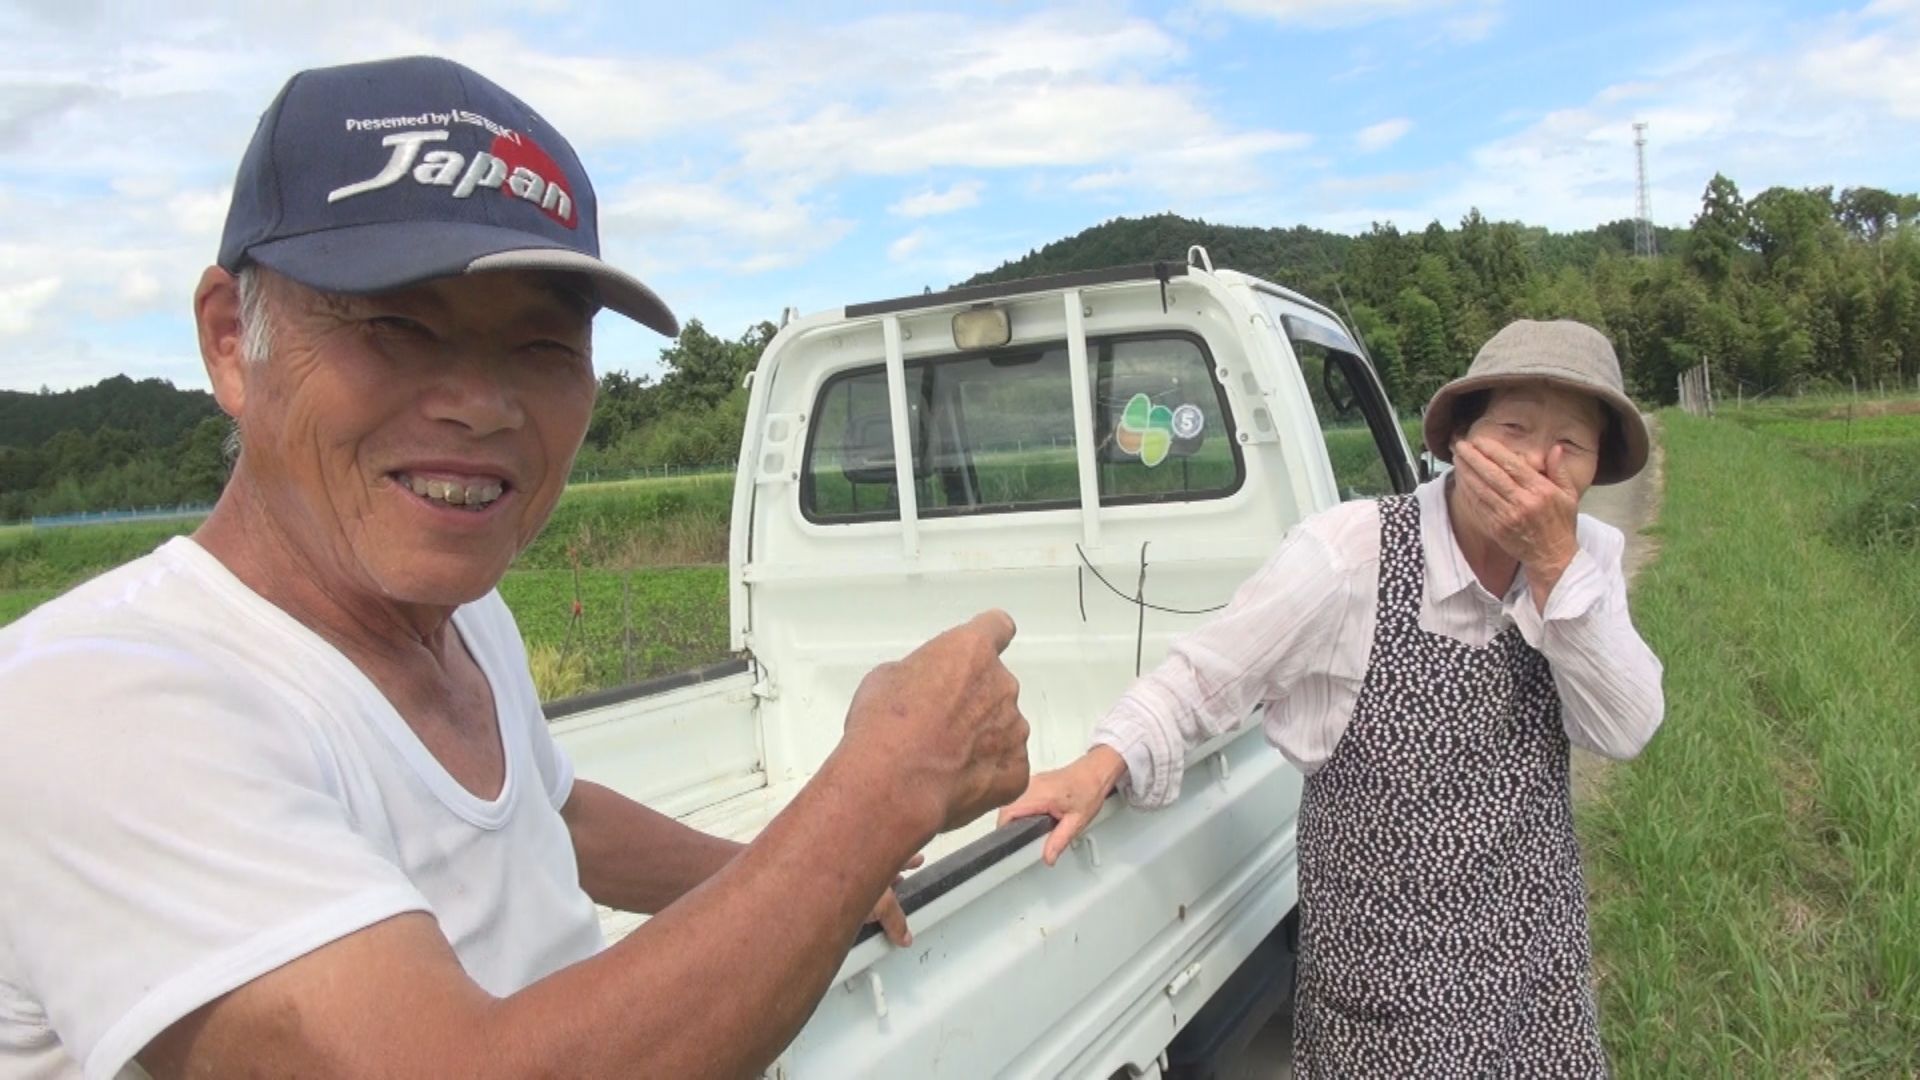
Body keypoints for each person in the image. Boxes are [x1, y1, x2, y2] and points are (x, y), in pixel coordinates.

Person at [0, 57, 1030, 1080]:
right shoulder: (98, 702)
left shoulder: (454, 609)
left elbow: (552, 818)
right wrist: (875, 795)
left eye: (543, 346)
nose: (484, 405)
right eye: (397, 326)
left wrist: (788, 878)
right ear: (232, 342)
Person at [1001, 319, 1665, 1076]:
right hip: (1388, 996)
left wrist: (1554, 566)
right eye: (1513, 429)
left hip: (1532, 974)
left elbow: (1626, 726)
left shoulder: (1583, 561)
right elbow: (1207, 675)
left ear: (1593, 470)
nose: (1536, 467)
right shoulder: (1350, 554)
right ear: (1462, 440)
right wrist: (1101, 762)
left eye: (1569, 446)